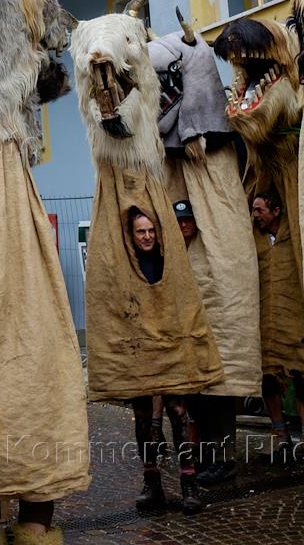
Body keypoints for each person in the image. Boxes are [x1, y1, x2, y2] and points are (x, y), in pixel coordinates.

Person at [127, 208, 203, 515]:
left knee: (177, 409)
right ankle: (151, 482)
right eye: (140, 231)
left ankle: (189, 483)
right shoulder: (127, 263)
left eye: (150, 231)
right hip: (139, 345)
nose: (147, 236)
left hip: (170, 341)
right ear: (131, 235)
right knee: (143, 414)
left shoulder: (166, 260)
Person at [251, 192, 304, 464]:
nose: (255, 215)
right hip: (266, 323)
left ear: (277, 211)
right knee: (269, 378)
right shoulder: (255, 238)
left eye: (260, 210)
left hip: (295, 320)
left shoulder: (295, 236)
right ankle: (279, 434)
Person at [175, 200, 239, 486]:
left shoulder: (209, 252)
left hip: (216, 337)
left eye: (188, 220)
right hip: (189, 343)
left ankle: (225, 460)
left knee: (219, 401)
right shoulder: (175, 252)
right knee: (198, 403)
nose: (184, 225)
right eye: (180, 221)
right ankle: (210, 456)